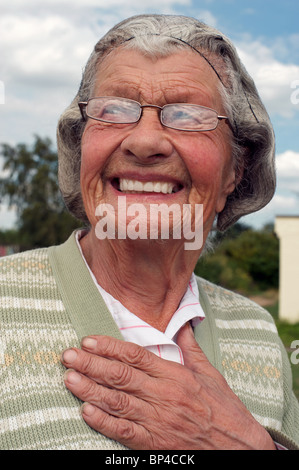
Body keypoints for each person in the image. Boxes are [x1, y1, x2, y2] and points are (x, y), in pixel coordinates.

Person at [0, 14, 298, 450]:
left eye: (187, 114)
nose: (144, 142)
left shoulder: (258, 332)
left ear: (236, 169)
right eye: (114, 110)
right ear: (80, 146)